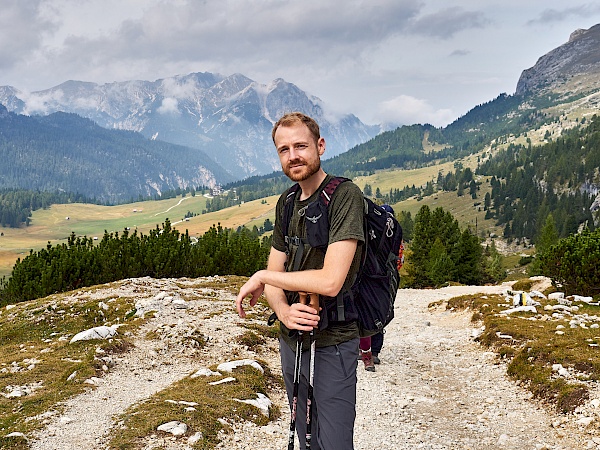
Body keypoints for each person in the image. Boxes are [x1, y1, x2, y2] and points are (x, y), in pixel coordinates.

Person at [236, 112, 365, 450]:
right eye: (283, 149)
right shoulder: (288, 202)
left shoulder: (344, 196)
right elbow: (277, 271)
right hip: (291, 339)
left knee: (333, 441)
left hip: (333, 340)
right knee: (303, 433)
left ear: (319, 146)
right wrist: (282, 311)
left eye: (300, 146)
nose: (292, 155)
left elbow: (332, 280)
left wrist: (263, 278)